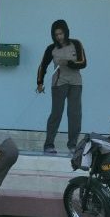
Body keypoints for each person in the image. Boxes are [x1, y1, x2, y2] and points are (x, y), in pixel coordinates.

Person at [36, 19, 87, 154]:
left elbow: (83, 63)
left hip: (76, 83)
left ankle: (72, 145)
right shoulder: (51, 48)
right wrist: (40, 82)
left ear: (66, 32)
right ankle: (49, 145)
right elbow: (43, 66)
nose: (59, 37)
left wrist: (68, 62)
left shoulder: (76, 43)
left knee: (75, 114)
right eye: (56, 34)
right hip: (59, 84)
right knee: (56, 114)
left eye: (61, 33)